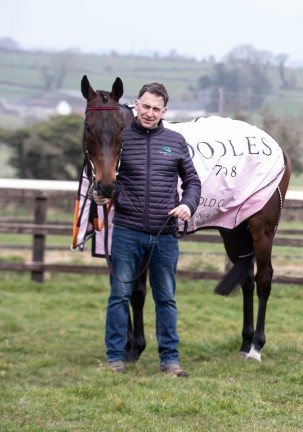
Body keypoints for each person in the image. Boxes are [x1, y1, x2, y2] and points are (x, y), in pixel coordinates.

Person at [95, 82, 201, 377]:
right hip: (127, 232)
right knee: (119, 295)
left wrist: (188, 205)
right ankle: (115, 358)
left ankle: (170, 360)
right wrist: (101, 194)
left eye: (156, 108)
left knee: (165, 298)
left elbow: (193, 181)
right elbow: (104, 175)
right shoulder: (121, 138)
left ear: (164, 111)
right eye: (145, 106)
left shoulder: (176, 142)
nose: (150, 113)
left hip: (165, 235)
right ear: (135, 105)